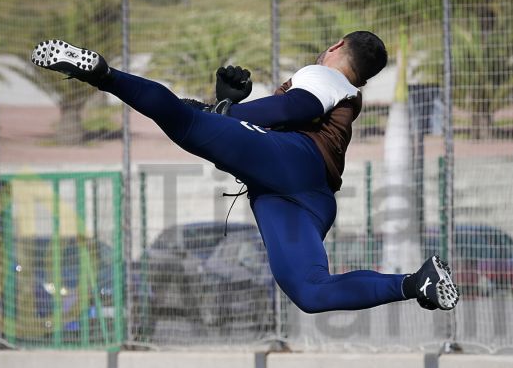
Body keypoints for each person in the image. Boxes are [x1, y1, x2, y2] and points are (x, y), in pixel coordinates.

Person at [31, 32, 458, 313]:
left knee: (185, 122)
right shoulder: (348, 90)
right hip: (304, 197)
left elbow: (297, 107)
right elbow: (261, 128)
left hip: (293, 164)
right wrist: (225, 106)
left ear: (338, 45)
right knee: (310, 292)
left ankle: (102, 74)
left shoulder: (323, 73)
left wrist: (227, 111)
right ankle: (415, 283)